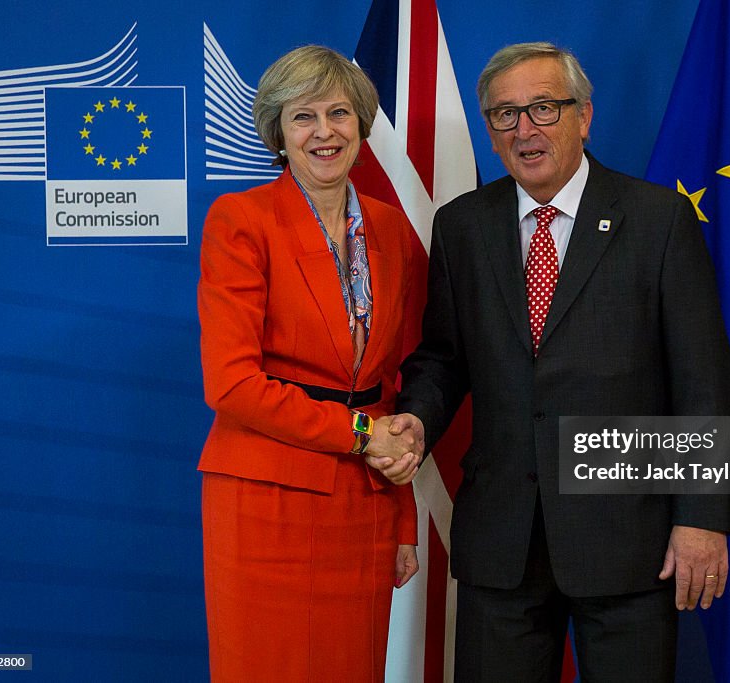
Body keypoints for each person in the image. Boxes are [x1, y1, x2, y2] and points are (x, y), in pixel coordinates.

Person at [369, 42, 730, 681]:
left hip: (630, 538)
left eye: (544, 108)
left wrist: (703, 517)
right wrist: (418, 421)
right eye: (505, 115)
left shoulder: (658, 220)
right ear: (489, 131)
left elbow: (702, 381)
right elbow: (445, 358)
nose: (525, 130)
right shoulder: (462, 226)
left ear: (584, 116)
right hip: (502, 540)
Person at [197, 45, 422, 681]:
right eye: (303, 117)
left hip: (366, 504)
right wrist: (357, 434)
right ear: (278, 131)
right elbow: (233, 383)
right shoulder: (242, 221)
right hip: (266, 500)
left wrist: (403, 514)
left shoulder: (391, 229)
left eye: (339, 113)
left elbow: (392, 386)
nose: (324, 132)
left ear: (361, 124)